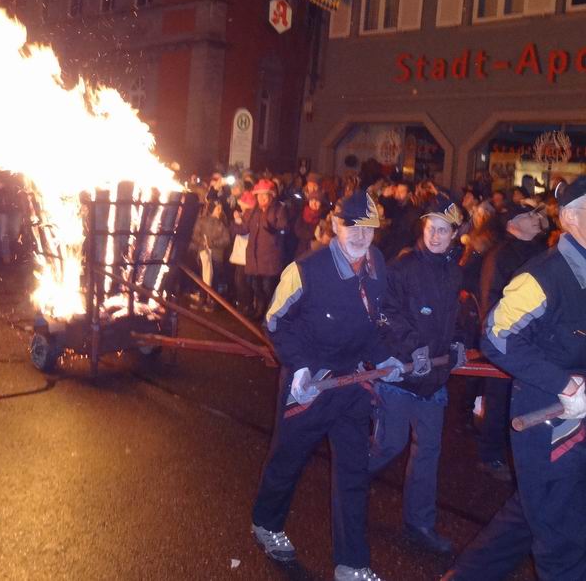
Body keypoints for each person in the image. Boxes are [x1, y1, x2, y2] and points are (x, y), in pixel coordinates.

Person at [251, 190, 403, 581]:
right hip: (311, 385)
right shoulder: (305, 270)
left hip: (351, 384)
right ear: (335, 225)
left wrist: (383, 357)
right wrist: (300, 368)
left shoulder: (377, 263)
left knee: (354, 472)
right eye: (351, 225)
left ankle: (351, 564)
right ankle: (266, 523)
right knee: (288, 460)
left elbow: (370, 322)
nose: (359, 234)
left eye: (368, 227)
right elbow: (276, 321)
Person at [442, 175, 586, 581]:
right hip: (549, 420)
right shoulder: (543, 275)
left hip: (578, 419)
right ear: (574, 220)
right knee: (563, 541)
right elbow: (496, 336)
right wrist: (566, 384)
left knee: (533, 510)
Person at [369, 194, 466, 555]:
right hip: (399, 377)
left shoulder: (454, 270)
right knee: (389, 445)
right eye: (431, 228)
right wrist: (413, 348)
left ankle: (419, 522)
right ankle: (349, 484)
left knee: (428, 452)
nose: (436, 236)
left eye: (443, 230)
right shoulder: (403, 267)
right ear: (422, 229)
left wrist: (457, 342)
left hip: (433, 381)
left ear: (454, 234)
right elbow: (383, 314)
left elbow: (457, 318)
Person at [475, 207, 548, 481]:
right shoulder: (502, 256)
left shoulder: (540, 251)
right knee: (499, 398)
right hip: (509, 340)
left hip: (535, 338)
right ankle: (490, 454)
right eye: (529, 216)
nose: (536, 219)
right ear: (513, 225)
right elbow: (491, 298)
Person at [233, 178, 289, 321]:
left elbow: (284, 228)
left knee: (267, 288)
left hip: (269, 258)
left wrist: (273, 228)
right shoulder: (253, 212)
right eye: (259, 195)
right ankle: (260, 309)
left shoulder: (279, 209)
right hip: (254, 257)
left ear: (271, 195)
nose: (262, 198)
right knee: (255, 285)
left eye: (265, 195)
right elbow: (245, 228)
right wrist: (234, 224)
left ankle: (268, 313)